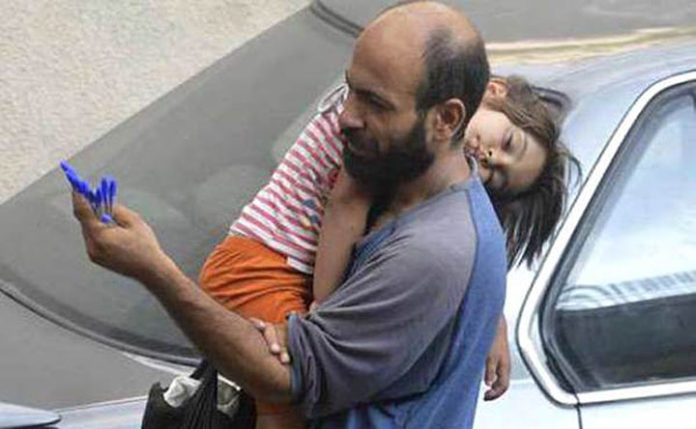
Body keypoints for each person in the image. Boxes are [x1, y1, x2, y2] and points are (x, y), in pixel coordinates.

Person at [69, 2, 559, 428]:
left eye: (375, 102)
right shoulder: (409, 183)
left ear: (447, 119)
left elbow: (291, 377)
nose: (345, 117)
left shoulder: (434, 248)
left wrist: (153, 269)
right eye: (351, 90)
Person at [197, 72, 574, 427]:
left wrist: (492, 317)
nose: (492, 158)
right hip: (260, 266)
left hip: (281, 269)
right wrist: (324, 312)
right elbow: (346, 205)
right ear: (494, 90)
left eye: (498, 176)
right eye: (508, 143)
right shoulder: (399, 127)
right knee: (289, 393)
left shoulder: (427, 160)